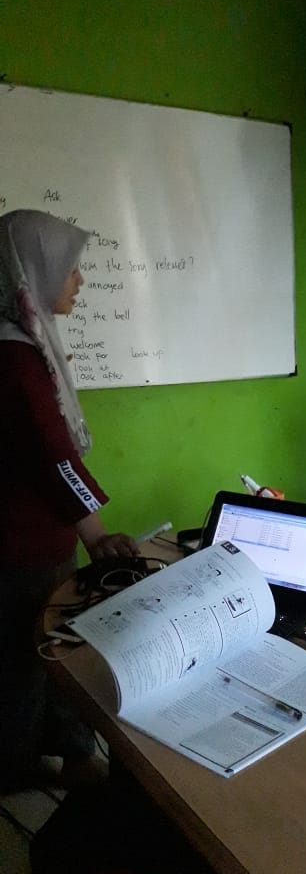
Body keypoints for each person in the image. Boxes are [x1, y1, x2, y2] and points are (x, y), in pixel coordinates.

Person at [0, 209, 138, 791]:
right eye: (70, 268)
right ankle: (20, 776)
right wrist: (97, 534)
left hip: (34, 540)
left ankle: (68, 754)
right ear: (34, 271)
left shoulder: (24, 343)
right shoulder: (16, 359)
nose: (79, 281)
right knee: (31, 662)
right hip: (23, 552)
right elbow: (57, 460)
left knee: (46, 653)